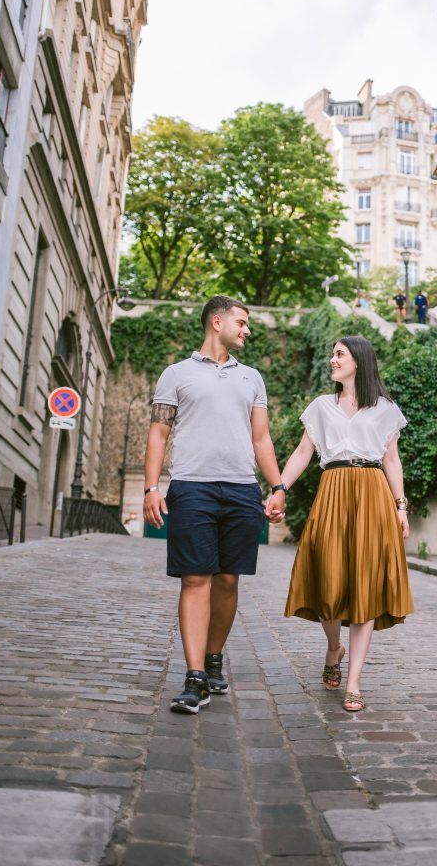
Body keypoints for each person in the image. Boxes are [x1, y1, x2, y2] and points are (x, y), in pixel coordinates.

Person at [143, 295, 286, 714]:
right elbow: (158, 434)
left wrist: (277, 486)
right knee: (195, 580)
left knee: (228, 581)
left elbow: (261, 438)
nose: (247, 330)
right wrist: (152, 487)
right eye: (241, 323)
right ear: (217, 321)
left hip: (242, 489)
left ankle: (214, 656)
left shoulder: (252, 379)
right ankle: (194, 677)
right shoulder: (176, 374)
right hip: (192, 487)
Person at [280, 335, 415, 713]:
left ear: (359, 359)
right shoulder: (322, 407)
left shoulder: (386, 408)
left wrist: (401, 506)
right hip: (333, 490)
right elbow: (304, 452)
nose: (331, 359)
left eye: (338, 354)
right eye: (332, 353)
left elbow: (391, 459)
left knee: (365, 587)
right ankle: (332, 647)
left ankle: (353, 680)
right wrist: (280, 488)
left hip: (373, 495)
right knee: (328, 582)